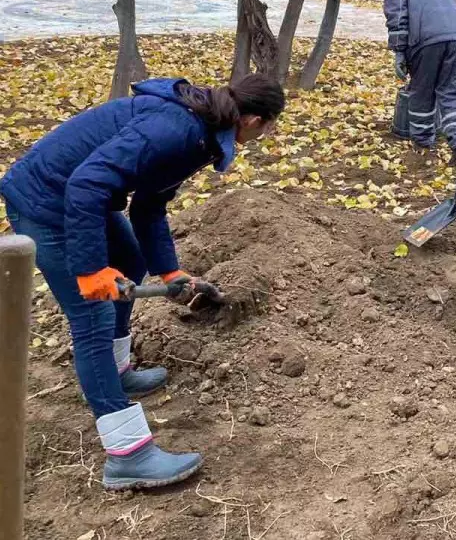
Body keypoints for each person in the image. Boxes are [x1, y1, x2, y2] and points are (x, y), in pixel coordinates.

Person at [0, 74, 285, 491]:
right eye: (271, 126)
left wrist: (171, 273)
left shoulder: (200, 131)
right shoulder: (177, 130)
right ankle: (127, 455)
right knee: (92, 317)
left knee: (131, 259)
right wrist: (90, 269)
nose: (269, 133)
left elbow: (150, 207)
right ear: (254, 120)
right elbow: (86, 183)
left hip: (78, 196)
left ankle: (113, 372)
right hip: (46, 202)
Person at [384, 0, 456, 164]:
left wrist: (399, 53)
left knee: (421, 92)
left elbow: (398, 19)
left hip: (424, 41)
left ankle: (423, 144)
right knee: (454, 93)